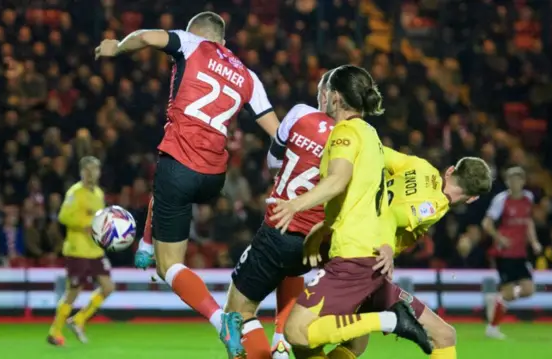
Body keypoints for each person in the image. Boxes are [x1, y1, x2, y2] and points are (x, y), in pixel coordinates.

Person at [95, 12, 279, 359]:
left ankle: (219, 319)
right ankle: (147, 243)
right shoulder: (248, 76)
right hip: (213, 178)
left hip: (179, 166)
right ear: (224, 41)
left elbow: (148, 38)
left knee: (170, 267)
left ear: (196, 34)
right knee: (166, 191)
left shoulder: (191, 43)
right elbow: (277, 132)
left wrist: (116, 48)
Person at [270, 64, 432, 359]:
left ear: (334, 97)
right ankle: (388, 319)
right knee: (322, 346)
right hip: (361, 250)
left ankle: (392, 320)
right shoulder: (370, 135)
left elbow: (337, 180)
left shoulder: (344, 132)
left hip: (353, 254)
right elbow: (359, 195)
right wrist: (325, 228)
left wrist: (295, 204)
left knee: (296, 333)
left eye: (326, 92)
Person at [323, 148, 493, 359]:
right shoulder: (436, 205)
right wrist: (386, 246)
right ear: (472, 199)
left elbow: (375, 152)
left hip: (347, 241)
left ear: (449, 171)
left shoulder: (422, 167)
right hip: (367, 260)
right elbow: (392, 215)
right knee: (445, 336)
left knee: (355, 344)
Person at [224, 70, 335, 359]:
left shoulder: (301, 113)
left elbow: (274, 160)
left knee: (236, 314)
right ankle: (281, 343)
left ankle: (270, 348)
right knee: (302, 334)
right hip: (317, 241)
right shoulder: (360, 140)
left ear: (326, 95)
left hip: (280, 227)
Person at [47, 156, 113, 346]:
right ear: (82, 172)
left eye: (95, 169)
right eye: (88, 170)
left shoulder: (99, 194)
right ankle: (55, 332)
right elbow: (63, 216)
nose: (92, 173)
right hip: (77, 249)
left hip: (95, 249)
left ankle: (79, 319)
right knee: (73, 290)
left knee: (108, 287)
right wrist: (85, 224)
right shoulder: (75, 192)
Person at [481, 167, 543, 339]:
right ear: (507, 182)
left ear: (523, 181)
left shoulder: (528, 198)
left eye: (518, 180)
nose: (515, 183)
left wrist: (534, 241)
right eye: (511, 180)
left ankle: (498, 300)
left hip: (520, 252)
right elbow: (486, 223)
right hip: (504, 253)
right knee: (509, 292)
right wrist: (499, 238)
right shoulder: (501, 200)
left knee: (529, 289)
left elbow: (528, 221)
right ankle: (492, 328)